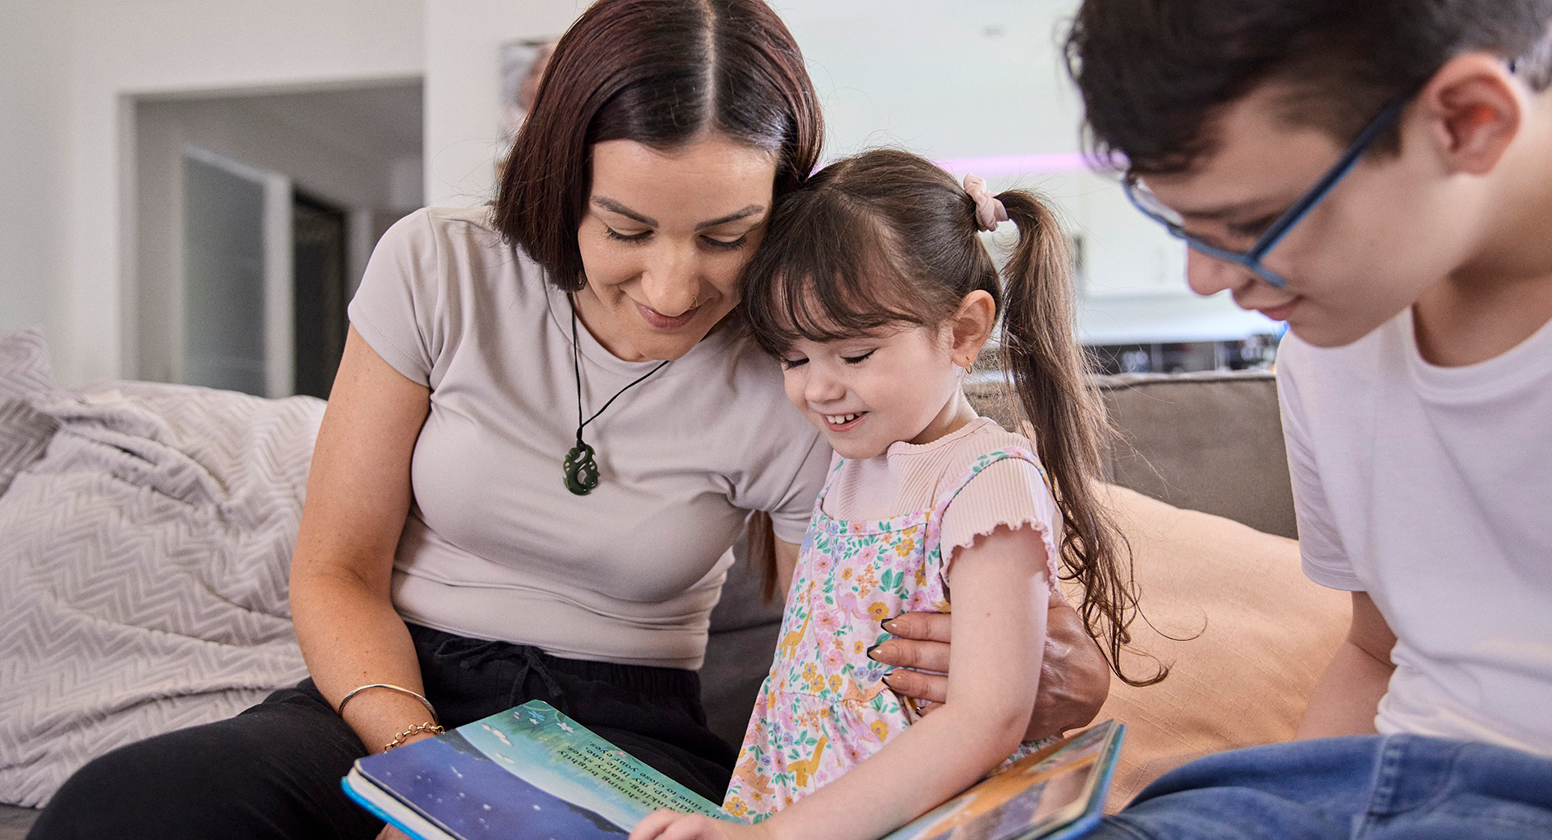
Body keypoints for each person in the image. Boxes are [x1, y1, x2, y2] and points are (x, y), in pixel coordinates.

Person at [27, 2, 1109, 839]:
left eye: (727, 234)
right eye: (626, 228)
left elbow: (912, 548)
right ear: (558, 181)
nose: (675, 287)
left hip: (623, 727)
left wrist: (1049, 674)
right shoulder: (440, 264)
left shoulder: (801, 371)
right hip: (394, 686)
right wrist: (431, 772)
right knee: (130, 806)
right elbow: (336, 570)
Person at [1061, 1, 1552, 837]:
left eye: (1251, 225)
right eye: (1182, 223)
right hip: (1372, 779)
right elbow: (1375, 652)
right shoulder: (1327, 352)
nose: (1206, 280)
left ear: (1469, 122)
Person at [631, 150, 1159, 840]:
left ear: (964, 330)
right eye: (793, 358)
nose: (817, 388)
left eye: (853, 355)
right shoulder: (850, 465)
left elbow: (988, 717)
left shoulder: (986, 478)